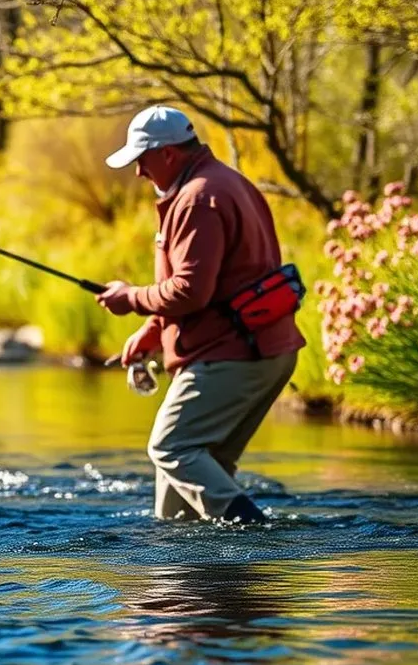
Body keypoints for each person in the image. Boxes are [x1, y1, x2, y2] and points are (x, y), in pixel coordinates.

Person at [96, 106, 305, 523]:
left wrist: (131, 297)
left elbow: (191, 290)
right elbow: (226, 278)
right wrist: (155, 328)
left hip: (233, 354)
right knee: (192, 478)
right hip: (258, 349)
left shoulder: (198, 198)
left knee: (172, 448)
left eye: (142, 160)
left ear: (168, 154)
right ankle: (192, 579)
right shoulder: (224, 184)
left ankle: (255, 533)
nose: (138, 173)